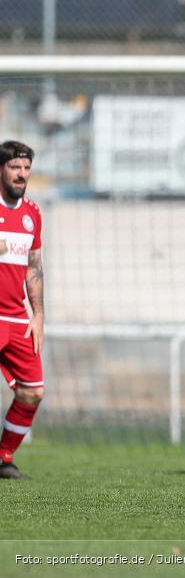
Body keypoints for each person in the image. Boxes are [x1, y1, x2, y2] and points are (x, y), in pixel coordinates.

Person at [0, 141, 45, 480]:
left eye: (26, 168)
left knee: (32, 392)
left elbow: (33, 267)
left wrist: (39, 314)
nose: (22, 174)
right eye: (16, 167)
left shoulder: (32, 214)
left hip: (17, 318)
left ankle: (4, 458)